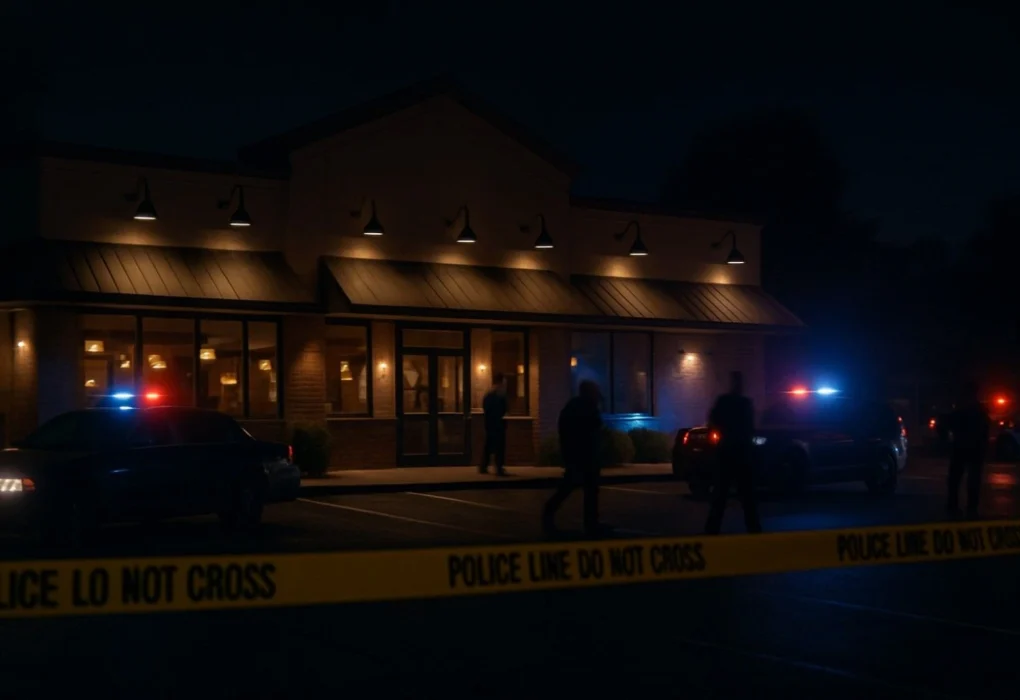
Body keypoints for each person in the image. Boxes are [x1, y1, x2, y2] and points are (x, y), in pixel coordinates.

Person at [542, 380, 605, 537]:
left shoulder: (573, 407)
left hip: (578, 455)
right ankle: (589, 523)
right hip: (583, 456)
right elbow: (593, 429)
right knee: (577, 487)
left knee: (582, 489)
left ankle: (590, 523)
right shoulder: (586, 408)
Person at [704, 370, 762, 534]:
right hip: (740, 453)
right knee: (746, 496)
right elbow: (751, 429)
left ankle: (712, 530)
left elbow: (713, 420)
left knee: (721, 496)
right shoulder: (744, 403)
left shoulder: (724, 402)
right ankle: (753, 529)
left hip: (728, 452)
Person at [946, 382, 990, 519]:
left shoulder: (961, 410)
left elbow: (949, 425)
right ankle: (970, 508)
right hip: (974, 448)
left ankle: (955, 507)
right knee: (972, 479)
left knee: (956, 478)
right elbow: (985, 430)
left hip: (961, 447)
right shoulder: (979, 410)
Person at [479, 372, 509, 476]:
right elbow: (503, 408)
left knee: (489, 444)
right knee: (499, 445)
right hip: (497, 423)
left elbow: (486, 407)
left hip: (489, 422)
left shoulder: (489, 393)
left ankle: (483, 466)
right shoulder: (499, 393)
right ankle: (499, 467)